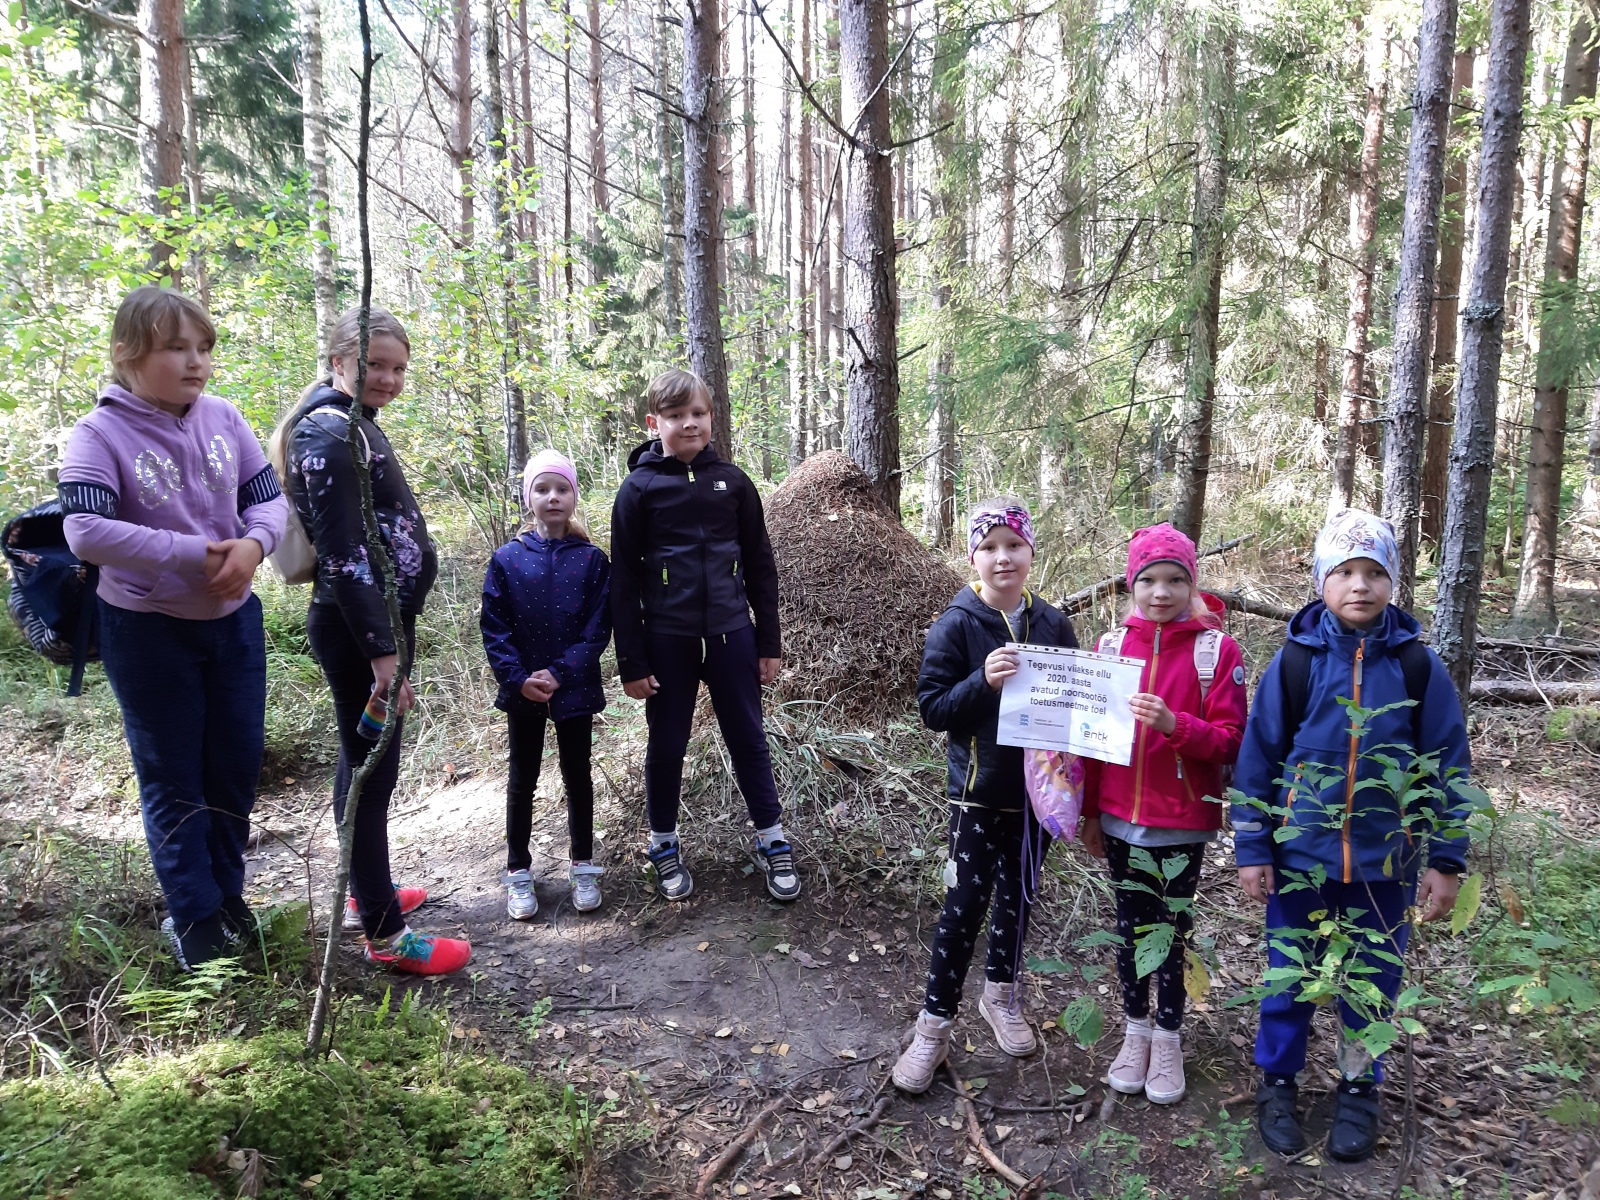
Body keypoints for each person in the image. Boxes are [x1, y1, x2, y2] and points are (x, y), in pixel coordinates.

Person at [1232, 508, 1473, 1163]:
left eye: (1374, 572)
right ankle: (1278, 1084)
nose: (1360, 585)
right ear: (1321, 581)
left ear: (1393, 581)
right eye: (1344, 571)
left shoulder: (1417, 667)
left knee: (1372, 981)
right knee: (1290, 976)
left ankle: (1360, 1088)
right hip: (1301, 860)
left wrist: (1446, 859)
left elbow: (1449, 765)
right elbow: (1257, 759)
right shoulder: (1295, 663)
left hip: (1385, 866)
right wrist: (1253, 847)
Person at [58, 285, 288, 971]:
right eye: (176, 348)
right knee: (173, 776)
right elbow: (86, 530)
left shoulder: (224, 417)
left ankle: (228, 895)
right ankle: (193, 915)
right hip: (147, 630)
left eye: (204, 349)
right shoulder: (98, 434)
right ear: (127, 354)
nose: (196, 363)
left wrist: (253, 547)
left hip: (233, 624)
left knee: (234, 766)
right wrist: (196, 554)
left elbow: (268, 502)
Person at [269, 307, 470, 975]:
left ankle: (366, 893)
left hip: (378, 625)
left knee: (361, 765)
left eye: (397, 368)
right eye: (374, 365)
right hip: (361, 632)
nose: (387, 378)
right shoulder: (327, 432)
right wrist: (384, 654)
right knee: (371, 773)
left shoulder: (353, 424)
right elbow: (344, 553)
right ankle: (385, 934)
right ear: (338, 362)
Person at [892, 499, 1079, 1094]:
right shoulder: (956, 624)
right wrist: (983, 681)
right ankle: (933, 1027)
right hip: (976, 795)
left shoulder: (1053, 624)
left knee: (1018, 899)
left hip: (1036, 799)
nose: (1003, 558)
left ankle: (1001, 996)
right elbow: (932, 708)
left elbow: (1076, 702)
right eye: (990, 547)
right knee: (962, 907)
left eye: (1014, 545)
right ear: (973, 556)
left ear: (1030, 552)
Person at [609, 369, 797, 903]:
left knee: (748, 738)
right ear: (655, 424)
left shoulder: (733, 483)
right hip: (667, 639)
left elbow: (760, 566)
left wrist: (768, 642)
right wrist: (631, 661)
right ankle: (663, 844)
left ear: (712, 418)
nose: (689, 424)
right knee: (667, 743)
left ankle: (772, 838)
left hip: (732, 633)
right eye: (675, 416)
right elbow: (623, 580)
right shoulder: (639, 489)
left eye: (698, 414)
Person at [1078, 523, 1248, 1105]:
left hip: (1182, 820)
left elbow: (1231, 741)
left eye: (1176, 580)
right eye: (1148, 580)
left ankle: (1169, 1037)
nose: (1161, 592)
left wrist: (1177, 725)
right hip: (1118, 817)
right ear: (1131, 585)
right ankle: (1136, 1030)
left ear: (1192, 584)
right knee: (1130, 926)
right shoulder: (1109, 649)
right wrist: (1091, 813)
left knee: (1172, 929)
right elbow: (1093, 742)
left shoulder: (1215, 652)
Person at [480, 449, 611, 918]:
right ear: (528, 497)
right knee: (523, 779)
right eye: (542, 489)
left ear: (573, 497)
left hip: (572, 687)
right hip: (523, 689)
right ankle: (518, 871)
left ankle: (583, 865)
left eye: (561, 489)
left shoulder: (592, 560)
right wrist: (518, 679)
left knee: (578, 776)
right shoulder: (507, 560)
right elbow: (494, 626)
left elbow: (598, 628)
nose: (552, 497)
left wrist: (560, 672)